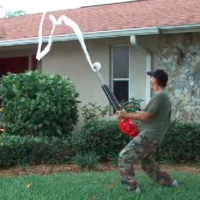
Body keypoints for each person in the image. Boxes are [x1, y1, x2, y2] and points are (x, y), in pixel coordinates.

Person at [116, 69, 178, 194]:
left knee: (125, 156)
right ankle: (169, 182)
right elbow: (147, 114)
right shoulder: (162, 97)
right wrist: (132, 115)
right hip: (154, 134)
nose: (150, 79)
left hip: (150, 134)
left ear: (155, 80)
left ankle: (132, 189)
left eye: (151, 77)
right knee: (147, 162)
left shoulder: (160, 96)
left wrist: (126, 114)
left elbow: (146, 116)